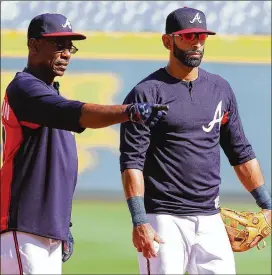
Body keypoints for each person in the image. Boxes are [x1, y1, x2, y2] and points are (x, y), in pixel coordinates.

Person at [0, 13, 168, 274]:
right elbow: (76, 113)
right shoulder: (24, 88)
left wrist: (62, 225)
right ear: (34, 45)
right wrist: (130, 112)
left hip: (43, 228)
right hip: (23, 225)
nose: (67, 53)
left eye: (70, 46)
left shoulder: (47, 93)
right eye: (59, 45)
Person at [119, 7, 271, 275]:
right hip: (163, 218)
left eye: (201, 35)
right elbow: (132, 162)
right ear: (168, 41)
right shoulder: (146, 93)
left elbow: (240, 152)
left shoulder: (219, 89)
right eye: (187, 36)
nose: (196, 42)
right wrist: (140, 220)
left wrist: (267, 204)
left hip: (212, 218)